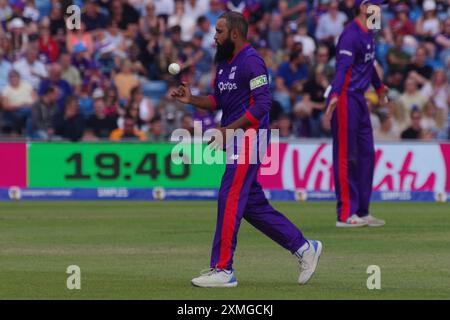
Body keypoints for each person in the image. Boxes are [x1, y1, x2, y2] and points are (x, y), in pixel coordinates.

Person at [171, 11, 322, 288]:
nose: (214, 37)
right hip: (236, 140)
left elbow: (263, 105)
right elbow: (218, 101)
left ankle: (223, 269)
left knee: (229, 197)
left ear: (235, 34)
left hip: (250, 138)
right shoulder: (225, 64)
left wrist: (230, 130)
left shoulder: (252, 61)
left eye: (218, 32)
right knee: (252, 205)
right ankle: (304, 248)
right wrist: (191, 99)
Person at [324, 0, 386, 228]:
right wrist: (334, 97)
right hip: (345, 98)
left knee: (366, 154)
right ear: (363, 7)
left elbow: (369, 66)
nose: (380, 10)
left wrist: (379, 88)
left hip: (359, 99)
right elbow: (342, 69)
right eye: (376, 6)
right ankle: (345, 214)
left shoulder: (369, 32)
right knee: (345, 156)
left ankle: (362, 210)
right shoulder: (350, 35)